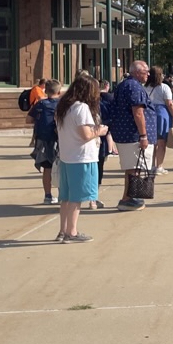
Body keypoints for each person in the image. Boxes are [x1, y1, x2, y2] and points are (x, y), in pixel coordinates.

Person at [53, 73, 107, 243]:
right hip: (82, 158)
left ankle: (63, 231)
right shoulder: (82, 108)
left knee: (66, 197)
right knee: (77, 198)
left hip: (67, 156)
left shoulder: (64, 106)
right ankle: (72, 232)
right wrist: (101, 130)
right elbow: (85, 134)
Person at [108, 61, 155, 211]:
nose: (148, 74)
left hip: (126, 133)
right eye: (145, 71)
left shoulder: (125, 85)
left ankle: (129, 197)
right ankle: (128, 198)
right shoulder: (134, 87)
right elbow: (138, 112)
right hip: (133, 135)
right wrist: (143, 135)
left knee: (132, 167)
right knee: (134, 168)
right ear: (136, 72)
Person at [29, 79, 62, 204]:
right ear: (59, 91)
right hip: (58, 140)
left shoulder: (40, 104)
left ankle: (47, 196)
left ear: (46, 91)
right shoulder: (62, 104)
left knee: (47, 168)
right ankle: (61, 195)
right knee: (60, 167)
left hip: (42, 140)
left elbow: (28, 119)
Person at [147, 65, 173, 175]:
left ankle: (151, 166)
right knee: (161, 142)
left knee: (152, 142)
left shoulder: (144, 87)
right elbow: (170, 104)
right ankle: (159, 166)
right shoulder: (164, 87)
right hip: (162, 113)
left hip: (149, 114)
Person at [91, 79, 114, 210]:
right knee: (98, 168)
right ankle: (93, 198)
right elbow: (110, 119)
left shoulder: (74, 104)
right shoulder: (105, 102)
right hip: (98, 139)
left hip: (90, 141)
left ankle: (66, 197)